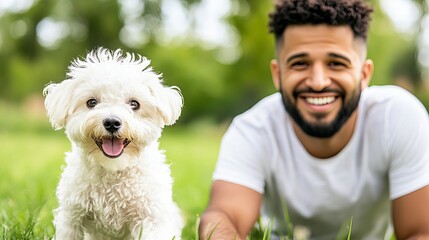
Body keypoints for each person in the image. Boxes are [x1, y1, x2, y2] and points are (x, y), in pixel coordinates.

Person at [198, 0, 429, 239]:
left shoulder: (399, 117)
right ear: (278, 75)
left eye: (336, 64)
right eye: (300, 64)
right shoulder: (252, 130)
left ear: (363, 74)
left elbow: (420, 233)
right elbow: (223, 216)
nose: (318, 82)